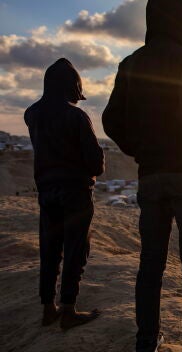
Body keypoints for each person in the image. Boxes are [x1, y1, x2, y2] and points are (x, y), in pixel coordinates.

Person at [102, 0, 182, 352]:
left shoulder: (131, 63)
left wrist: (141, 148)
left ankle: (146, 347)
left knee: (150, 263)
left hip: (151, 174)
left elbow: (111, 120)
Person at [24, 58, 104, 330]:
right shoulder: (77, 116)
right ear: (73, 86)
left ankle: (48, 308)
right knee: (75, 250)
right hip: (76, 194)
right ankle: (68, 310)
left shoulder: (31, 113)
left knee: (49, 249)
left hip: (46, 192)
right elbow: (95, 164)